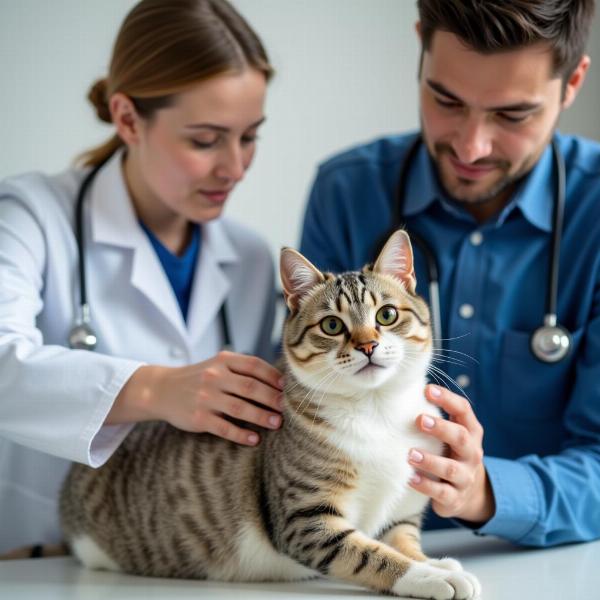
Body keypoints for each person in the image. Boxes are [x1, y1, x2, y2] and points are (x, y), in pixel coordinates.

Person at [300, 0, 600, 547]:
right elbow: (302, 406)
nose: (470, 146)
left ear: (573, 81)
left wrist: (487, 492)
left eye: (513, 115)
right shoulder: (345, 192)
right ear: (421, 46)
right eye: (446, 100)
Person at [0, 0, 284, 557]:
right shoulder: (31, 215)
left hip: (171, 566)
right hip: (29, 560)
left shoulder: (249, 257)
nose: (235, 167)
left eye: (249, 136)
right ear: (128, 118)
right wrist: (155, 388)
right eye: (206, 140)